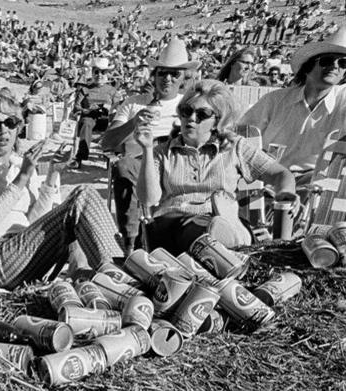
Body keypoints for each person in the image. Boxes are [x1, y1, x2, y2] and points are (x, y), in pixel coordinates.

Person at [0, 88, 123, 289]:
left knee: (80, 212)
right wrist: (21, 179)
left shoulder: (20, 162)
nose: (3, 131)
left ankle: (110, 281)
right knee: (83, 195)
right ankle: (118, 279)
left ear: (18, 128)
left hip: (25, 253)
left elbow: (35, 221)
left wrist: (53, 174)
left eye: (10, 123)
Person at [136, 80, 296, 253]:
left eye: (202, 114)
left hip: (222, 219)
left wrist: (286, 194)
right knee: (194, 227)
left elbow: (281, 174)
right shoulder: (162, 151)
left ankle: (219, 241)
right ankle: (219, 242)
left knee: (215, 227)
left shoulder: (234, 147)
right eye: (186, 111)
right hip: (172, 225)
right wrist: (146, 148)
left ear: (217, 121)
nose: (191, 118)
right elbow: (149, 200)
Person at [101, 38, 200, 252]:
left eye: (175, 74)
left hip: (175, 163)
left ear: (183, 78)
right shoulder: (133, 103)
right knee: (124, 165)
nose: (168, 78)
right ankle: (131, 243)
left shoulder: (189, 105)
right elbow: (107, 143)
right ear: (154, 75)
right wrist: (133, 123)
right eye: (163, 72)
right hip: (139, 162)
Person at [240, 26, 346, 186]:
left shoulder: (343, 100)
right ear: (308, 67)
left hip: (316, 184)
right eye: (327, 61)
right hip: (269, 180)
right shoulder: (274, 100)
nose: (335, 66)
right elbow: (242, 136)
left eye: (343, 63)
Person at [71, 56, 117, 168]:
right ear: (92, 73)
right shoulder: (85, 89)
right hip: (89, 116)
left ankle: (109, 157)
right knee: (86, 123)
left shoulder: (112, 90)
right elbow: (76, 107)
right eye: (96, 72)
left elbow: (118, 107)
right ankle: (80, 156)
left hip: (106, 117)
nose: (99, 75)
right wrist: (87, 109)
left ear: (107, 74)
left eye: (103, 72)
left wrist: (109, 107)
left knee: (114, 126)